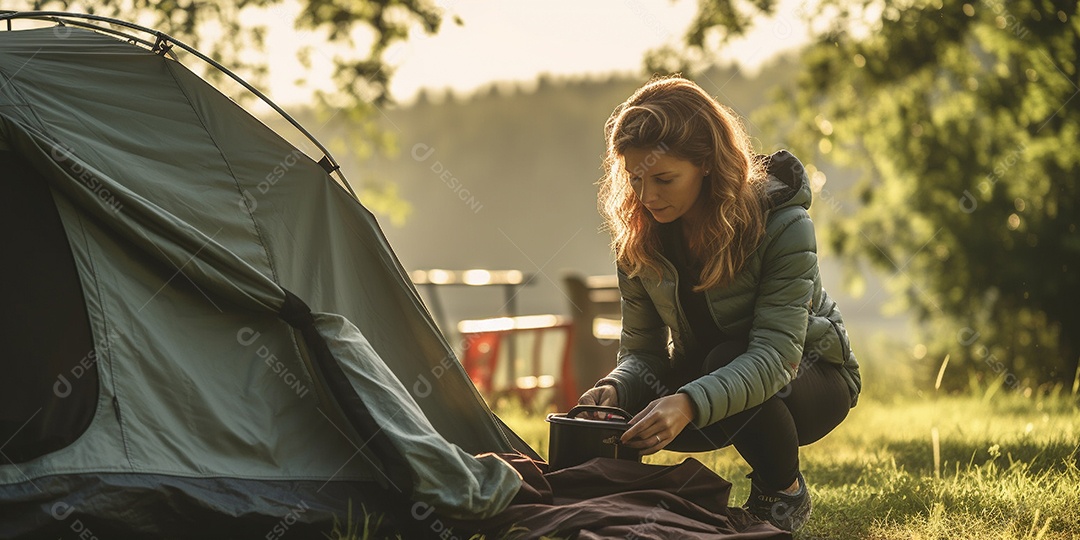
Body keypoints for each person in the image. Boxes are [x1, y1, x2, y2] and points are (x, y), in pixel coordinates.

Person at [577, 75, 863, 532]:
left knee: (728, 356)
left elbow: (775, 357)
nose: (647, 196)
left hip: (807, 380)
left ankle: (782, 493)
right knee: (623, 404)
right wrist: (615, 388)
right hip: (710, 378)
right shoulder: (639, 237)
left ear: (707, 163)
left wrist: (688, 403)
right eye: (635, 179)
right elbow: (642, 353)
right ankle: (630, 497)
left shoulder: (783, 225)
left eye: (664, 179)